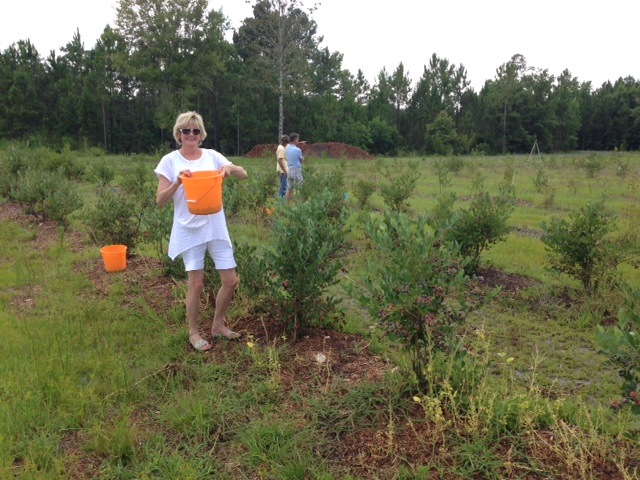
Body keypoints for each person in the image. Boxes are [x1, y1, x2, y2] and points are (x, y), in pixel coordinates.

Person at [154, 111, 248, 352]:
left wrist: (229, 168)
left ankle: (218, 325)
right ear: (178, 134)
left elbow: (243, 174)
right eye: (186, 130)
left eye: (196, 131)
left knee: (231, 280)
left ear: (201, 134)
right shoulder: (170, 161)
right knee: (196, 284)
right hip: (189, 229)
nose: (191, 135)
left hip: (215, 226)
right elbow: (160, 201)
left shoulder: (212, 156)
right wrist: (177, 182)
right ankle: (193, 332)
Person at [285, 132, 305, 201]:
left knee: (289, 188)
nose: (298, 140)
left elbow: (291, 144)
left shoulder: (287, 148)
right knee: (299, 188)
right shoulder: (298, 150)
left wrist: (300, 142)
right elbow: (301, 160)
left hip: (289, 170)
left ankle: (286, 205)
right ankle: (299, 205)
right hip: (296, 170)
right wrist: (303, 158)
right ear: (295, 139)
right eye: (298, 139)